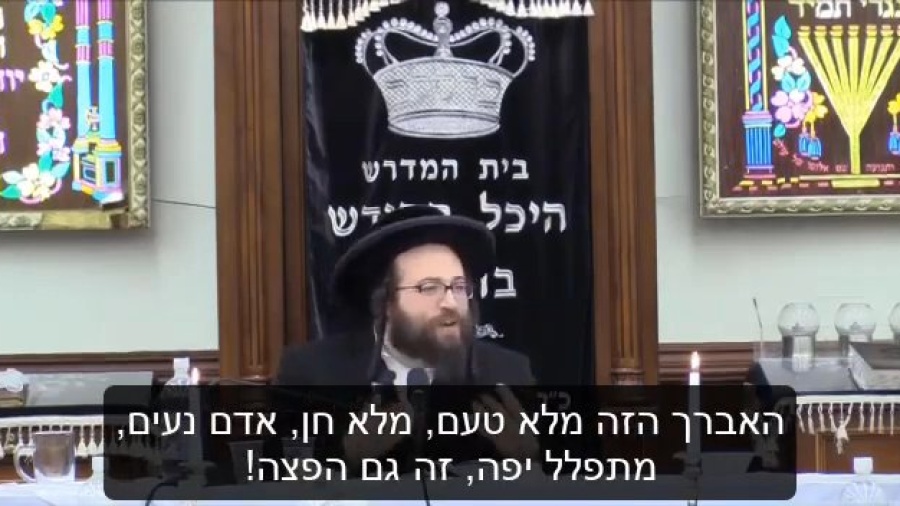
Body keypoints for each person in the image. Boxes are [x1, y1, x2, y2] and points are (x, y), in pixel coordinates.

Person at [275, 205, 539, 472]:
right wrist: (347, 456)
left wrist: (529, 458)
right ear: (385, 303)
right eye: (429, 287)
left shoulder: (508, 373)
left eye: (459, 287)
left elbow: (552, 481)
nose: (451, 303)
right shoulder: (312, 373)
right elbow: (275, 477)